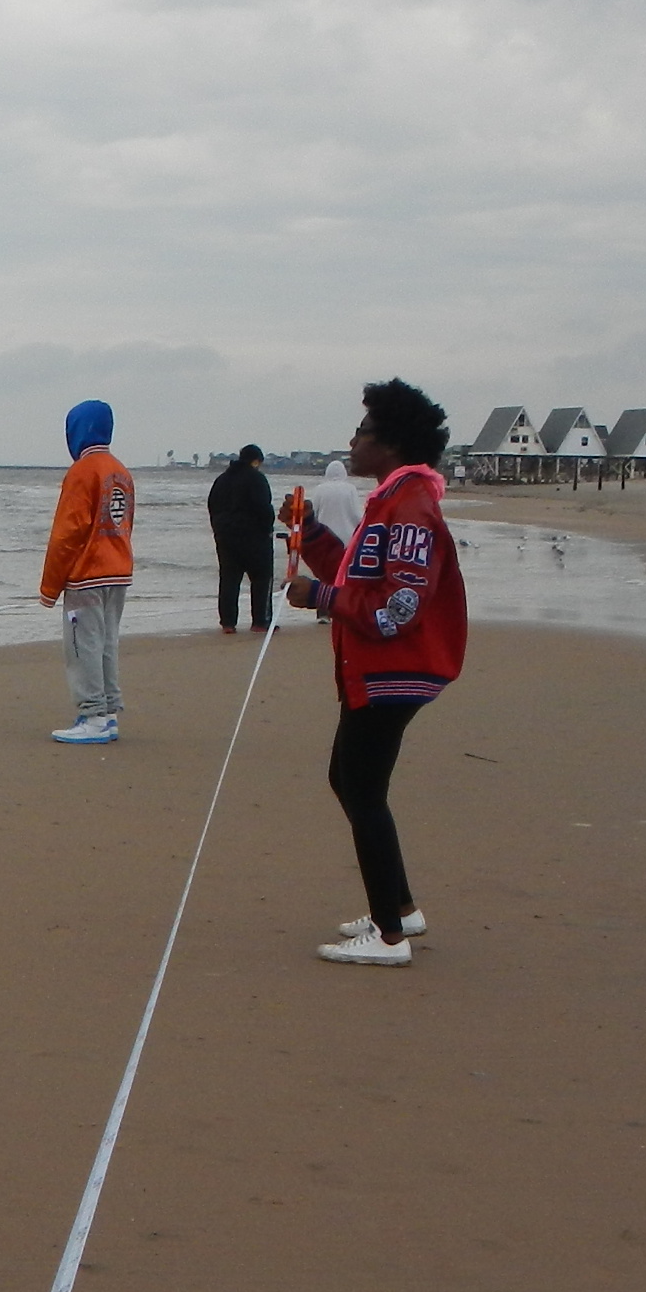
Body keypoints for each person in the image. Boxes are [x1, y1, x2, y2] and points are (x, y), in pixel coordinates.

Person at [286, 380, 464, 966]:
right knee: (349, 780)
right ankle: (399, 908)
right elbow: (354, 574)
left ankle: (389, 936)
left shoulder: (410, 506)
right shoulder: (391, 500)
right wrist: (311, 534)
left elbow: (398, 608)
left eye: (361, 431)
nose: (352, 441)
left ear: (388, 442)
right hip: (377, 669)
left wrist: (320, 598)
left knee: (361, 789)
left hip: (394, 670)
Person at [39, 398, 135, 744]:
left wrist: (49, 587)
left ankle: (93, 715)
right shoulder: (121, 471)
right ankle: (107, 713)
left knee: (82, 646)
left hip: (88, 573)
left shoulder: (82, 472)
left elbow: (68, 533)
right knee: (106, 643)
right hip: (118, 569)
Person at [206, 444, 277, 634]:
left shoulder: (221, 480)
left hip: (225, 537)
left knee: (229, 579)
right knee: (262, 578)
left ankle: (228, 622)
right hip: (254, 537)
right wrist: (268, 529)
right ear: (256, 461)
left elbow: (212, 506)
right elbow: (264, 508)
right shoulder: (256, 479)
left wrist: (218, 529)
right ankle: (261, 621)